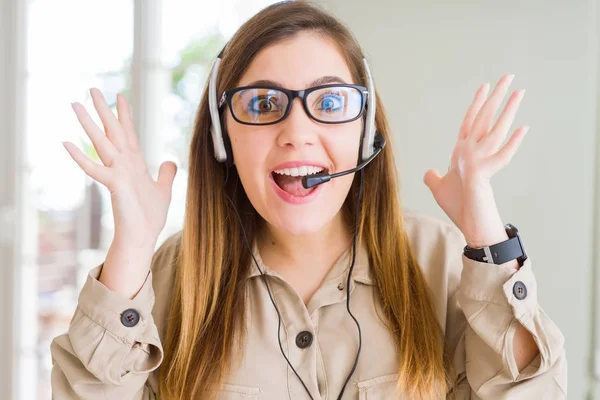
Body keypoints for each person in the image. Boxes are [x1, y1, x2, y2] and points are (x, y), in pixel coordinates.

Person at [50, 1, 566, 399]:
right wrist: (132, 249)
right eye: (264, 103)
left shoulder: (440, 257)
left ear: (365, 133)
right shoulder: (170, 275)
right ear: (222, 136)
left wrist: (489, 238)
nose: (297, 132)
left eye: (330, 101)